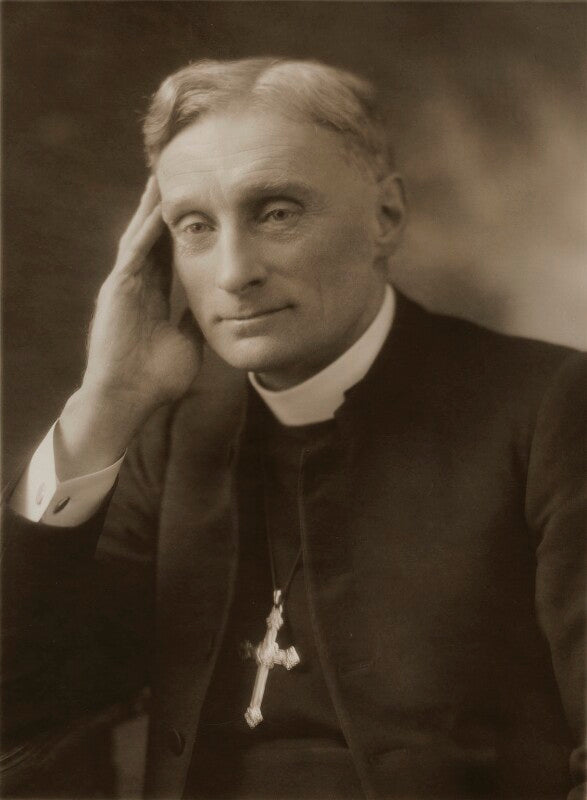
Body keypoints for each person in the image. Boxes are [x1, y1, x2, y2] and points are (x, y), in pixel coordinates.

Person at [1, 57, 585, 800]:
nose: (233, 272)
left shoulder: (545, 409)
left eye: (276, 213)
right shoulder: (171, 433)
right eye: (195, 228)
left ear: (385, 217)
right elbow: (19, 704)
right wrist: (105, 404)